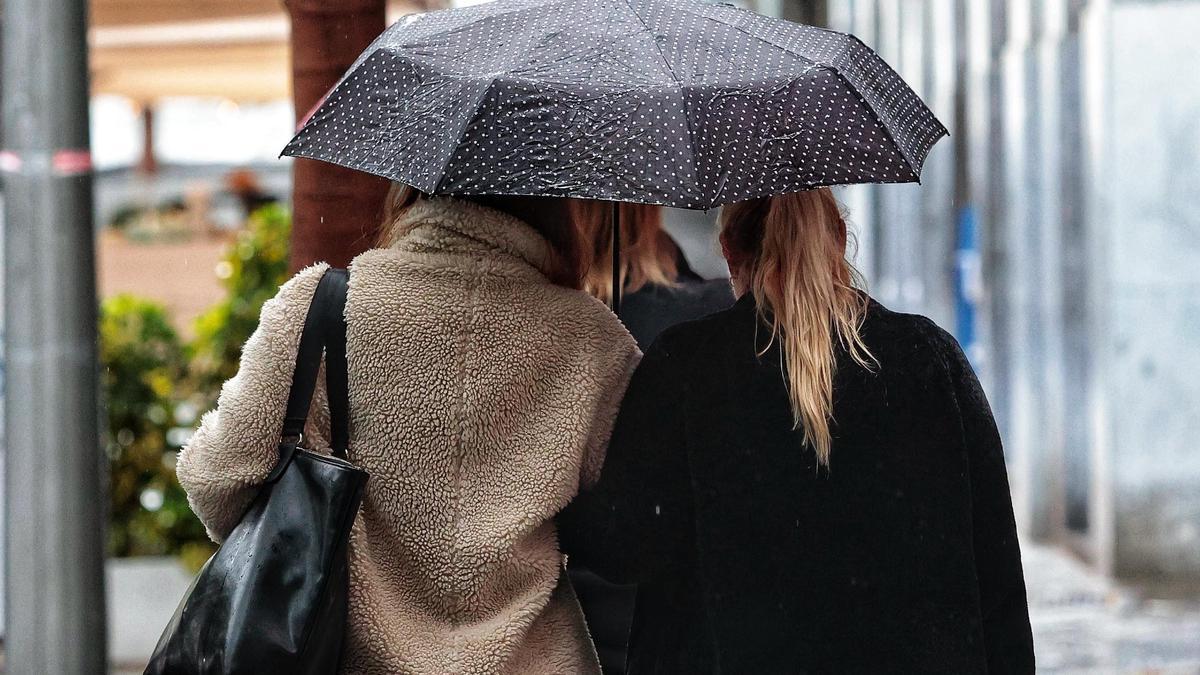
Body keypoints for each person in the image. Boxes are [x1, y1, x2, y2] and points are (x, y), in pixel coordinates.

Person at [559, 188, 1035, 674]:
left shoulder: (686, 366)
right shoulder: (930, 358)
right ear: (841, 238)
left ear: (728, 250)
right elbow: (996, 570)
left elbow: (622, 548)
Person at [177, 185, 640, 674]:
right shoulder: (593, 337)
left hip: (346, 658)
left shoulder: (319, 306)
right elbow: (626, 534)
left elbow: (216, 478)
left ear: (409, 186)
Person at [569, 201, 733, 674]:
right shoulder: (706, 323)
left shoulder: (536, 327)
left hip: (559, 628)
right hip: (671, 631)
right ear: (648, 214)